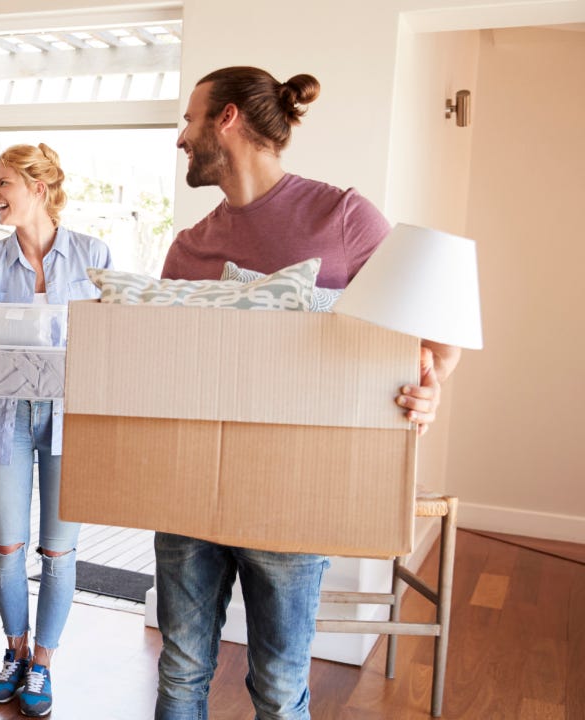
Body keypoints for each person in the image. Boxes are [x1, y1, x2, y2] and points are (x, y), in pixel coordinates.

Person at [154, 66, 461, 720]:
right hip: (188, 491)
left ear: (227, 118)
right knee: (180, 671)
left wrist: (429, 389)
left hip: (292, 496)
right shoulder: (186, 248)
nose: (182, 136)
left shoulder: (342, 217)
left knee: (277, 685)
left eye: (190, 118)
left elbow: (431, 336)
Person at [0, 143, 113, 717]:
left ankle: (43, 665)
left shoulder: (94, 255)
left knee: (59, 550)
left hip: (71, 418)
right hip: (3, 415)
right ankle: (15, 653)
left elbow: (114, 337)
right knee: (6, 546)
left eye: (3, 184)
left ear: (38, 189)